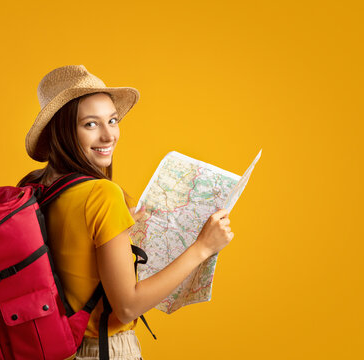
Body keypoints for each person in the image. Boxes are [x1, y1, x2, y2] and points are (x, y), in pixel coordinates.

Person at [18, 65, 234, 360]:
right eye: (90, 124)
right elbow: (128, 306)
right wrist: (203, 247)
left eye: (112, 120)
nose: (109, 136)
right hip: (101, 351)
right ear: (63, 130)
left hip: (50, 349)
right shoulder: (102, 194)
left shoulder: (34, 187)